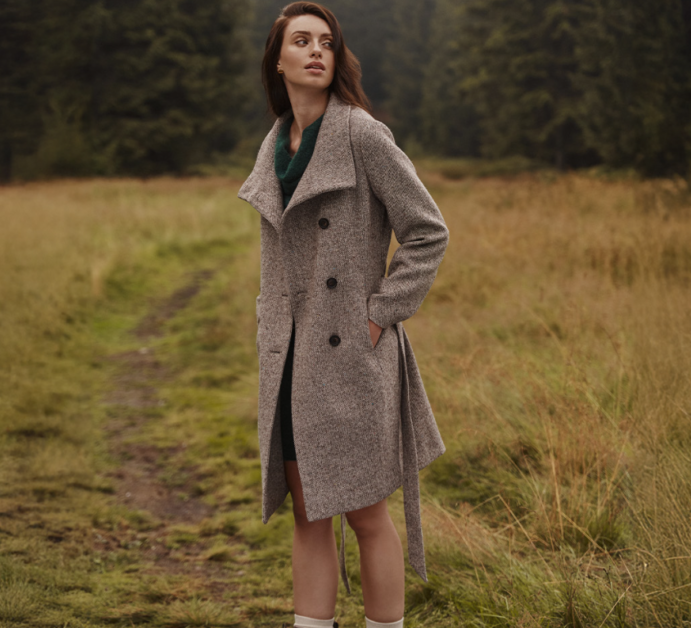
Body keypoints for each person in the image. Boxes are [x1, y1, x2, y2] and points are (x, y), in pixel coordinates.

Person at [237, 3, 449, 627]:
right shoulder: (275, 144)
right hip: (291, 358)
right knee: (309, 512)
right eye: (301, 41)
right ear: (278, 61)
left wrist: (380, 314)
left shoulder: (361, 134)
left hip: (351, 354)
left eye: (326, 42)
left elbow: (427, 232)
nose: (315, 51)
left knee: (364, 513)